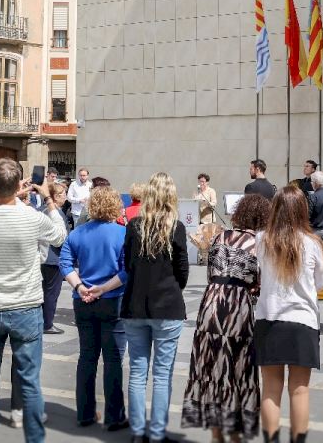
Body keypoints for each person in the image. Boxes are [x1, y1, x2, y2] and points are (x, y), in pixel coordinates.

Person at [0, 159, 67, 443]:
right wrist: (47, 198)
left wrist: (12, 192)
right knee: (29, 378)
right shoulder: (33, 218)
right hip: (25, 305)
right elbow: (60, 236)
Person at [89, 172, 190, 442]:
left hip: (135, 305)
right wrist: (171, 287)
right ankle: (156, 433)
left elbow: (129, 265)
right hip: (167, 306)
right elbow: (182, 272)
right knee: (162, 374)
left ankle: (137, 432)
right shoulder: (176, 227)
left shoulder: (134, 226)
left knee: (137, 371)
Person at [182, 193, 267, 443]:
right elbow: (258, 280)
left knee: (210, 367)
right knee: (238, 368)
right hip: (237, 306)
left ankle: (216, 434)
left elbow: (211, 272)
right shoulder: (259, 243)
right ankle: (235, 433)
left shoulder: (220, 236)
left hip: (211, 302)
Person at [255, 186, 323, 443]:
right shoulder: (313, 243)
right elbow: (320, 283)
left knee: (270, 389)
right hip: (303, 321)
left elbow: (257, 275)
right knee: (300, 390)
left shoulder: (262, 239)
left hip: (269, 319)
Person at [60, 186, 129, 431]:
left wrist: (80, 287)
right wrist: (103, 288)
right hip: (113, 299)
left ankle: (85, 413)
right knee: (113, 359)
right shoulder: (123, 233)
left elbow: (65, 263)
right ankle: (114, 415)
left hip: (83, 300)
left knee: (87, 356)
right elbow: (127, 270)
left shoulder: (78, 233)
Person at [42, 182, 74, 335]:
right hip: (54, 258)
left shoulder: (41, 210)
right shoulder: (57, 214)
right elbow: (62, 239)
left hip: (43, 257)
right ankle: (47, 324)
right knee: (51, 294)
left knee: (43, 292)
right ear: (55, 196)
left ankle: (42, 321)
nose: (65, 197)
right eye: (63, 195)